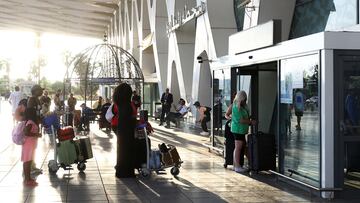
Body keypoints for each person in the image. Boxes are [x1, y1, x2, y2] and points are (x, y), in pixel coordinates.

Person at [225, 91, 254, 173]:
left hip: (241, 130)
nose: (245, 100)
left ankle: (237, 165)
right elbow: (241, 120)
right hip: (238, 129)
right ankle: (237, 166)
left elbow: (246, 116)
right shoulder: (235, 107)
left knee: (241, 147)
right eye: (244, 99)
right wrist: (251, 122)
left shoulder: (243, 106)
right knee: (238, 147)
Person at [113, 83, 136, 178]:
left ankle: (121, 170)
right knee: (128, 150)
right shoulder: (127, 105)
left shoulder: (120, 103)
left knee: (121, 150)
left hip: (121, 129)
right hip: (128, 130)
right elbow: (129, 118)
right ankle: (127, 171)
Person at [22, 108, 42, 186]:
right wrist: (36, 135)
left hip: (29, 144)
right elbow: (26, 132)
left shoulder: (29, 121)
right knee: (27, 161)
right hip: (29, 144)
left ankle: (28, 179)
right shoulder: (30, 122)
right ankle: (27, 180)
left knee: (28, 161)